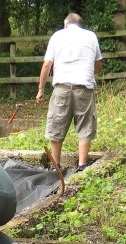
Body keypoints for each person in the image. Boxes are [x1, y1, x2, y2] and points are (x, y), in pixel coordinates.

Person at [35, 13, 102, 172]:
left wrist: (40, 89)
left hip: (62, 88)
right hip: (84, 87)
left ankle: (55, 166)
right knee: (85, 125)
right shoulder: (91, 36)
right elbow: (98, 66)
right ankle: (82, 165)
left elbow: (46, 65)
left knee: (56, 123)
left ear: (66, 24)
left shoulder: (57, 36)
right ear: (80, 24)